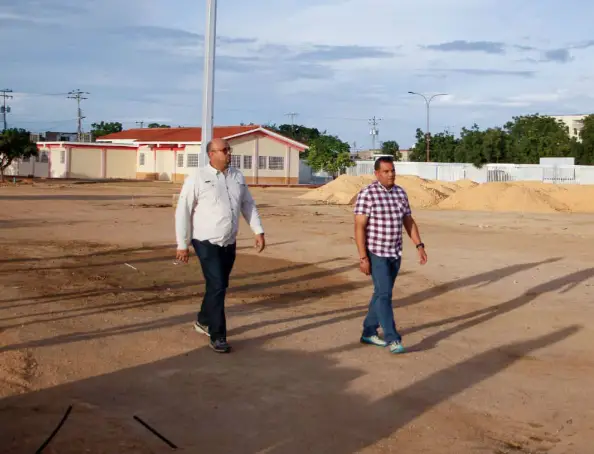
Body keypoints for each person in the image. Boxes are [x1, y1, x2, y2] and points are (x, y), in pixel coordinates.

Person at [175, 138, 265, 353]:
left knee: (219, 285)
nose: (227, 153)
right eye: (222, 150)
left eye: (228, 149)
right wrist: (182, 243)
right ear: (211, 154)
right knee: (218, 286)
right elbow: (183, 210)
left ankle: (203, 319)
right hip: (205, 240)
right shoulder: (197, 177)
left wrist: (258, 230)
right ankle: (218, 335)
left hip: (228, 241)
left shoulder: (237, 176)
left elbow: (247, 205)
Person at [353, 156, 427, 354]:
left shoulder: (400, 193)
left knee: (380, 294)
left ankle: (369, 331)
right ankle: (393, 338)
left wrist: (419, 245)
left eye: (392, 170)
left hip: (395, 252)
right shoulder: (367, 194)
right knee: (385, 294)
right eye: (386, 171)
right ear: (377, 174)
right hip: (376, 252)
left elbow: (408, 221)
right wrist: (363, 258)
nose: (391, 174)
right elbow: (359, 227)